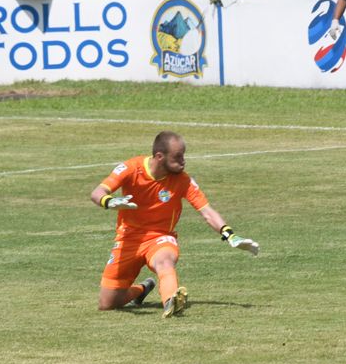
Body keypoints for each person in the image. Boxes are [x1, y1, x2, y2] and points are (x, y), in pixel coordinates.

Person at [89, 131, 259, 318]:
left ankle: (171, 301)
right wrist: (109, 201)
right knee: (107, 303)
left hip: (160, 238)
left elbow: (206, 211)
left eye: (183, 156)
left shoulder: (183, 180)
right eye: (177, 157)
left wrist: (230, 235)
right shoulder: (131, 168)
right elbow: (97, 192)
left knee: (164, 261)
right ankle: (142, 289)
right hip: (128, 238)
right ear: (160, 157)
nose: (183, 161)